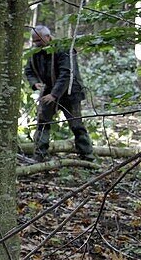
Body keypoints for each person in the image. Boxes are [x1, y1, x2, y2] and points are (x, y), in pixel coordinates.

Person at [24, 24, 94, 162]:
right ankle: (39, 155)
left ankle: (87, 156)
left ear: (48, 37)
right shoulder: (34, 53)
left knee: (76, 124)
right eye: (34, 41)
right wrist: (34, 83)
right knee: (43, 123)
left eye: (39, 41)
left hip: (70, 92)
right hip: (48, 91)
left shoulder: (64, 49)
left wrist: (54, 95)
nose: (36, 44)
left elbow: (66, 73)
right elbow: (28, 71)